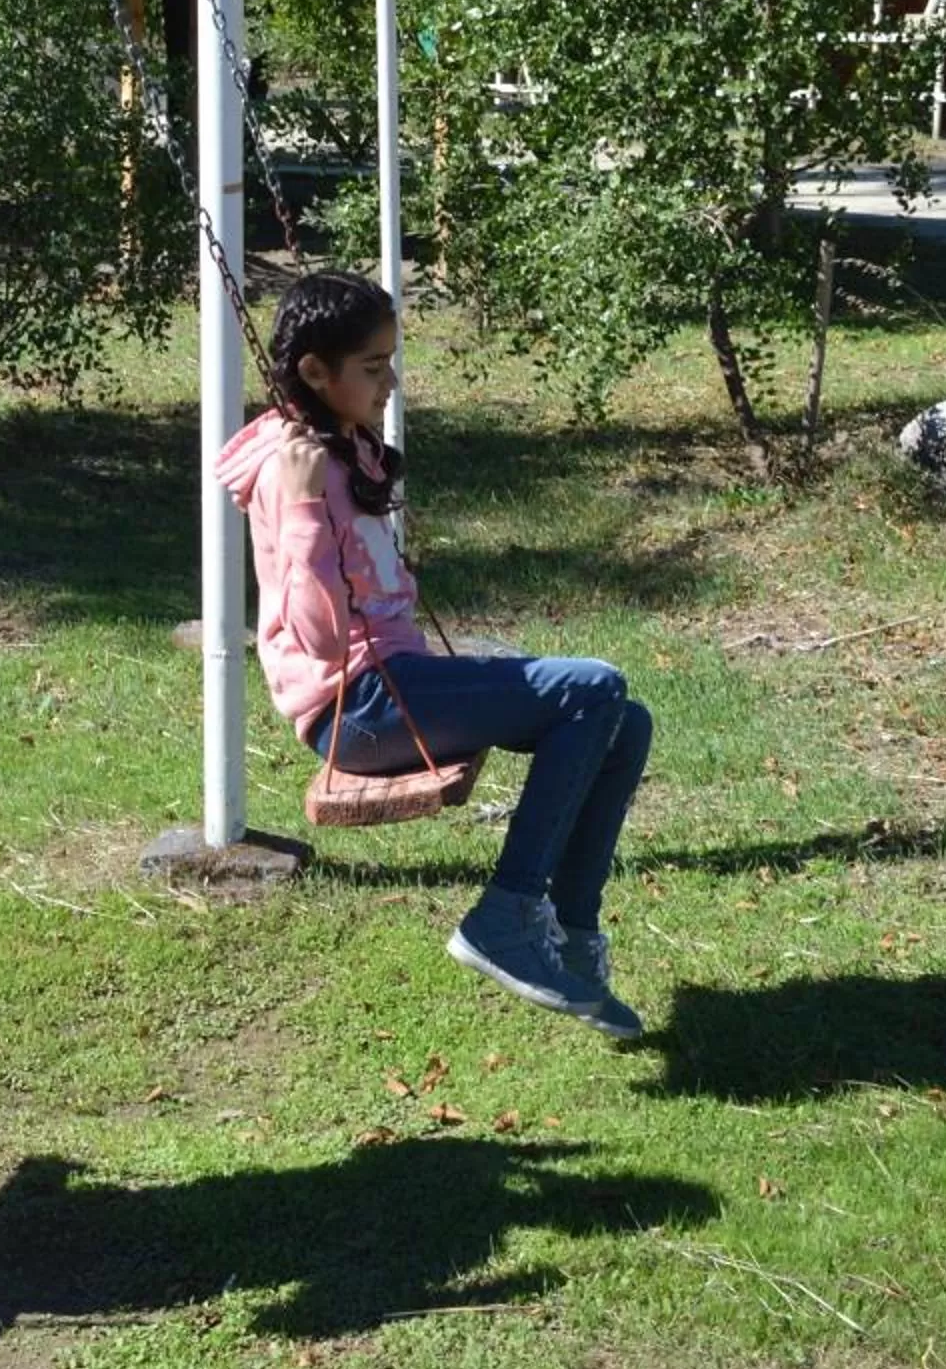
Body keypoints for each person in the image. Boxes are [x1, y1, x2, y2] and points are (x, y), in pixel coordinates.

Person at [216, 271, 652, 1039]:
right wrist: (312, 510)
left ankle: (573, 943)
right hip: (359, 707)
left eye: (391, 361)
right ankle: (506, 916)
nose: (390, 384)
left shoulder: (338, 442)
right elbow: (315, 636)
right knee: (595, 687)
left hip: (396, 680)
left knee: (627, 720)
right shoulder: (296, 473)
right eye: (374, 368)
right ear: (317, 372)